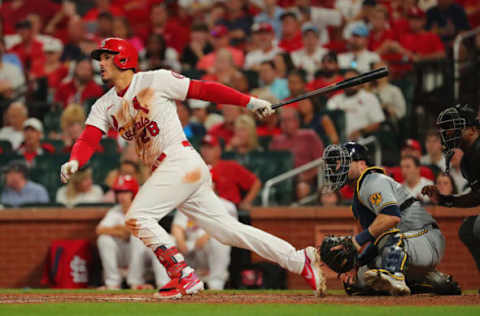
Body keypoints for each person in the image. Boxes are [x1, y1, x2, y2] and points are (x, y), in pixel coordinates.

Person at [59, 37, 326, 299]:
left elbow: (205, 90)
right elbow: (88, 138)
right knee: (227, 230)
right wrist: (75, 160)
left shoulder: (155, 79)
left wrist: (249, 102)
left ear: (123, 59)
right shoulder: (104, 104)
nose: (101, 63)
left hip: (179, 159)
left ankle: (183, 275)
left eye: (106, 57)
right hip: (173, 169)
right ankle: (298, 260)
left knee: (137, 217)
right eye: (101, 59)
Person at [320, 142, 459, 296]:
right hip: (402, 245)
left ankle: (396, 275)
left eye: (344, 162)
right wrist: (358, 262)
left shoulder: (373, 180)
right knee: (359, 281)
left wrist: (355, 242)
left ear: (361, 164)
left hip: (425, 237)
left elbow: (391, 217)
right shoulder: (358, 197)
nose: (337, 167)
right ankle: (429, 282)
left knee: (392, 238)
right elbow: (376, 239)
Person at [422, 104, 480, 288]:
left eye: (454, 127)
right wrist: (446, 200)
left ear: (472, 129)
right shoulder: (468, 159)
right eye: (445, 128)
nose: (447, 133)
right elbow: (476, 197)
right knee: (468, 229)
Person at [97, 175, 167, 290]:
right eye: (119, 192)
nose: (121, 196)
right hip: (125, 253)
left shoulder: (142, 209)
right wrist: (121, 231)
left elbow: (135, 230)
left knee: (136, 237)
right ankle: (112, 283)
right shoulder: (115, 211)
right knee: (104, 239)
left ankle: (136, 282)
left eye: (125, 192)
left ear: (133, 193)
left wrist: (118, 229)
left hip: (144, 257)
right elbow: (100, 230)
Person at [270, 107, 324, 200]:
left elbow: (321, 162)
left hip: (305, 181)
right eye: (282, 121)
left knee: (302, 188)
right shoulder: (276, 140)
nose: (285, 124)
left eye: (288, 120)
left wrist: (305, 177)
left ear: (297, 121)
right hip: (282, 181)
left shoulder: (309, 136)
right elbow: (271, 165)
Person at [201, 134, 261, 210]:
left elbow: (256, 182)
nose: (205, 151)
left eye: (210, 147)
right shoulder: (196, 168)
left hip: (228, 206)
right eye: (203, 147)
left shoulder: (231, 166)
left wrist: (246, 202)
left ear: (219, 150)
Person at [326, 69, 385, 140]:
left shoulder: (369, 98)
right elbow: (326, 120)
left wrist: (360, 131)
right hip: (338, 142)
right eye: (347, 81)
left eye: (353, 80)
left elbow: (377, 123)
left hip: (363, 141)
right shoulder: (335, 100)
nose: (350, 84)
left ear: (360, 82)